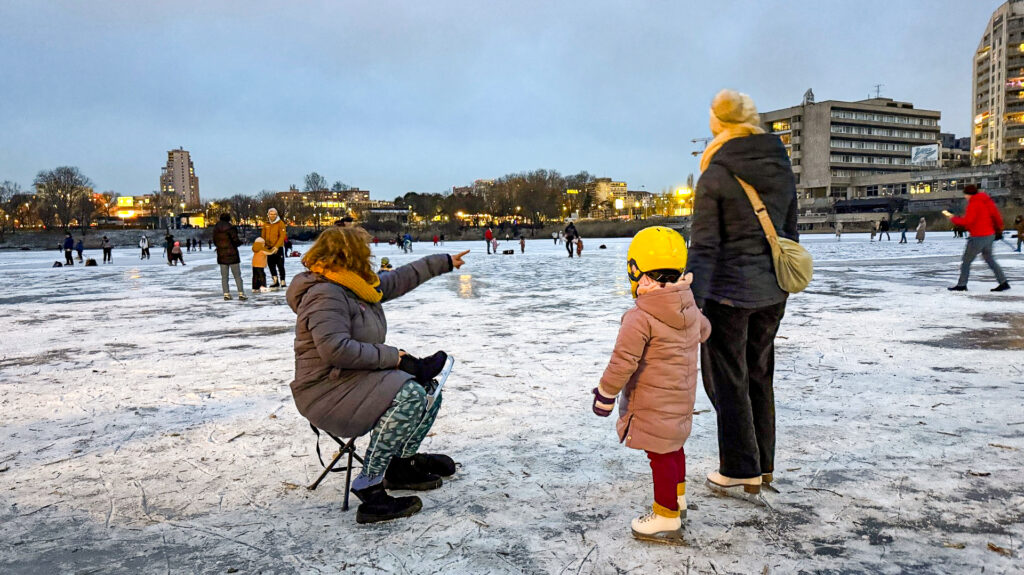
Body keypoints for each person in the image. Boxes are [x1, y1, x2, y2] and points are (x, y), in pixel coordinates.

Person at [286, 226, 470, 524]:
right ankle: (369, 487)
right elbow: (335, 349)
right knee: (410, 394)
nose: (369, 257)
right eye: (364, 251)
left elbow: (397, 279)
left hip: (352, 380)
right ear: (349, 255)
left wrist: (445, 261)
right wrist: (394, 358)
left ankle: (400, 466)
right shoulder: (324, 294)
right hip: (325, 391)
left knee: (427, 390)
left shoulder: (354, 285)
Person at [686, 89, 798, 497]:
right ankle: (763, 465)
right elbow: (789, 232)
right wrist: (778, 282)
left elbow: (704, 246)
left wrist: (691, 301)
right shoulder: (780, 167)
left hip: (728, 295)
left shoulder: (716, 172)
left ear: (718, 123)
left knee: (727, 381)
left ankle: (739, 468)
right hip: (772, 292)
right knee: (759, 376)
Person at [592, 226, 710, 544]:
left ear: (639, 273)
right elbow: (705, 331)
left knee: (660, 455)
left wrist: (604, 394)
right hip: (681, 399)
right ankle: (678, 498)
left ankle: (665, 515)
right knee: (674, 447)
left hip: (653, 402)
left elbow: (622, 362)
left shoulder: (640, 317)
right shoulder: (688, 306)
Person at [945, 185, 1010, 292]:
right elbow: (996, 216)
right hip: (990, 235)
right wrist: (999, 230)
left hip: (978, 237)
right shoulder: (986, 201)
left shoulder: (974, 204)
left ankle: (962, 285)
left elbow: (968, 221)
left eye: (965, 194)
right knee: (989, 259)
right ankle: (1003, 282)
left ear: (968, 194)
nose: (965, 197)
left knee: (966, 261)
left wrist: (953, 218)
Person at [213, 213, 247, 301]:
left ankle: (226, 294)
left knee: (224, 276)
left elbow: (215, 241)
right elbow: (235, 240)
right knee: (237, 275)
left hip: (221, 254)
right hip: (232, 254)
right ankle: (241, 293)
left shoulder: (215, 229)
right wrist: (241, 242)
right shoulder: (230, 228)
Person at [262, 207, 288, 288]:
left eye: (274, 214)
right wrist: (263, 246)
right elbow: (263, 236)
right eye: (271, 214)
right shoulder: (266, 224)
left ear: (276, 215)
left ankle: (283, 281)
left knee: (280, 265)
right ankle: (275, 281)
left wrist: (276, 246)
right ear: (268, 215)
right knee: (271, 265)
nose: (272, 216)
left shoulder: (280, 223)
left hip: (278, 248)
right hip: (268, 248)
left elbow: (282, 236)